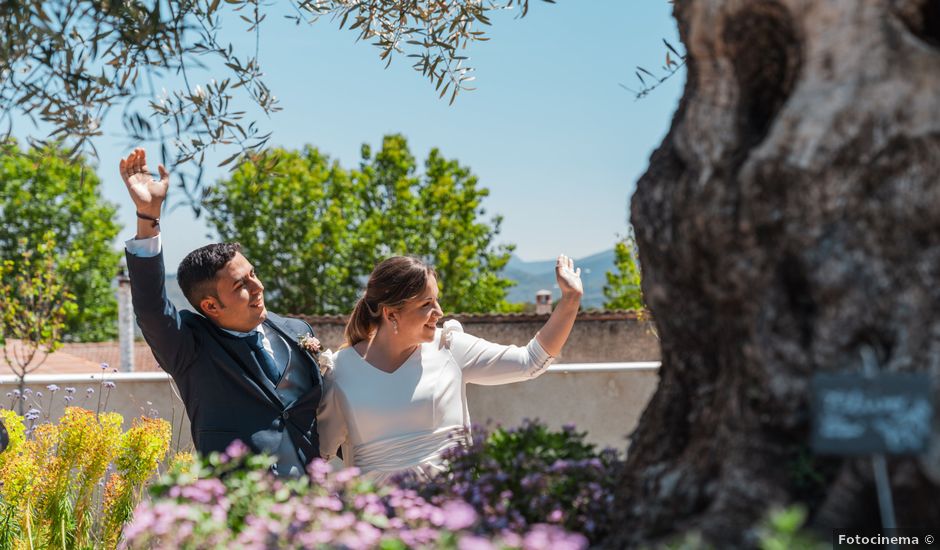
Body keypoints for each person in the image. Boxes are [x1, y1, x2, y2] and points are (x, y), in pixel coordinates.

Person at [120, 148, 324, 476]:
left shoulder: (298, 331)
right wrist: (148, 217)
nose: (257, 287)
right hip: (240, 507)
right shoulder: (190, 349)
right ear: (211, 306)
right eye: (242, 284)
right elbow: (152, 307)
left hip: (312, 503)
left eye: (253, 274)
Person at [318, 254, 583, 483]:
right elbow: (319, 455)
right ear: (391, 314)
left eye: (436, 301)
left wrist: (570, 301)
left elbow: (531, 361)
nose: (440, 311)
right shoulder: (339, 371)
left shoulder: (450, 348)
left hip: (450, 516)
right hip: (377, 528)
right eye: (426, 304)